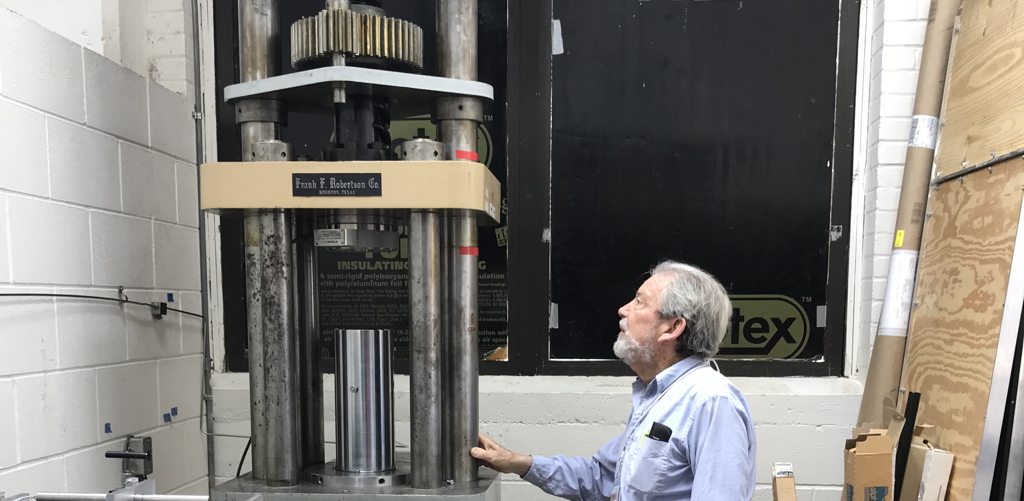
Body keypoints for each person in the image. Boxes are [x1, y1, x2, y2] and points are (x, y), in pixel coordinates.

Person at [471, 260, 756, 501]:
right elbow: (600, 476)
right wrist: (515, 462)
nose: (623, 309)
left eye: (640, 302)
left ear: (672, 327)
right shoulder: (658, 396)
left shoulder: (711, 402)